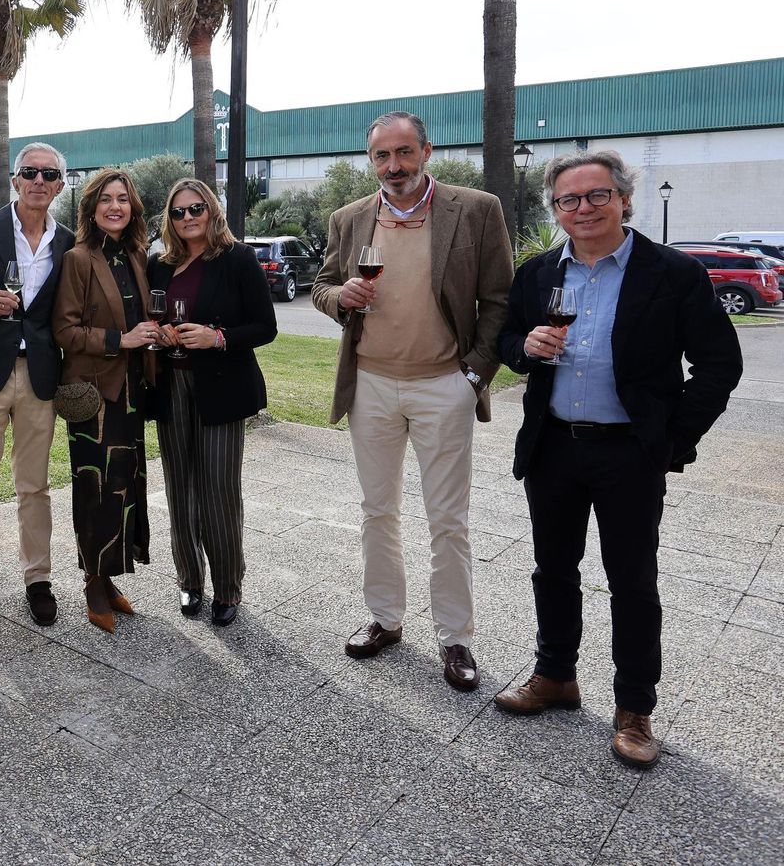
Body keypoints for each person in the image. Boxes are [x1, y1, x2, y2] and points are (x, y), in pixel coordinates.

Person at [492, 150, 741, 768]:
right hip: (553, 446)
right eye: (569, 200)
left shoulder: (673, 272)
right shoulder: (538, 274)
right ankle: (555, 675)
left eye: (596, 195)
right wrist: (523, 346)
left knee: (632, 581)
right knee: (553, 570)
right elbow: (505, 341)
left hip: (628, 452)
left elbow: (719, 364)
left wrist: (670, 437)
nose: (583, 208)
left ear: (624, 198)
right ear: (556, 209)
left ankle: (634, 708)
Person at [310, 111, 512, 691]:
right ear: (370, 159)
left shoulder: (475, 209)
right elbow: (324, 286)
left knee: (448, 519)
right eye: (382, 156)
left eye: (404, 153)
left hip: (442, 384)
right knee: (378, 510)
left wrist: (472, 377)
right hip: (370, 383)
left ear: (427, 149)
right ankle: (385, 619)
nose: (393, 166)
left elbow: (498, 299)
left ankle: (455, 638)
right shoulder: (349, 219)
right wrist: (339, 297)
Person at [0, 142, 75, 627]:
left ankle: (37, 579)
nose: (39, 181)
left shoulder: (68, 240)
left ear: (60, 186)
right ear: (15, 181)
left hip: (40, 374)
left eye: (48, 174)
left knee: (34, 486)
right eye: (30, 172)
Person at [146, 179, 278, 627]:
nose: (188, 218)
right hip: (171, 388)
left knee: (219, 493)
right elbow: (152, 316)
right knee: (180, 491)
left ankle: (227, 586)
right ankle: (189, 580)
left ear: (212, 209)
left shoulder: (238, 259)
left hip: (221, 389)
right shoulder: (159, 264)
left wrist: (217, 337)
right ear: (170, 218)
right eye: (179, 212)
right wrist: (161, 334)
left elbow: (265, 327)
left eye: (196, 208)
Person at [51, 167, 158, 633]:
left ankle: (112, 575)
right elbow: (65, 331)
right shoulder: (79, 259)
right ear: (91, 209)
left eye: (123, 198)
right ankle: (93, 581)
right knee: (95, 488)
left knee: (126, 486)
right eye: (106, 199)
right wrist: (122, 339)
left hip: (132, 394)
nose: (115, 206)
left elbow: (143, 321)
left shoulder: (137, 256)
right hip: (94, 398)